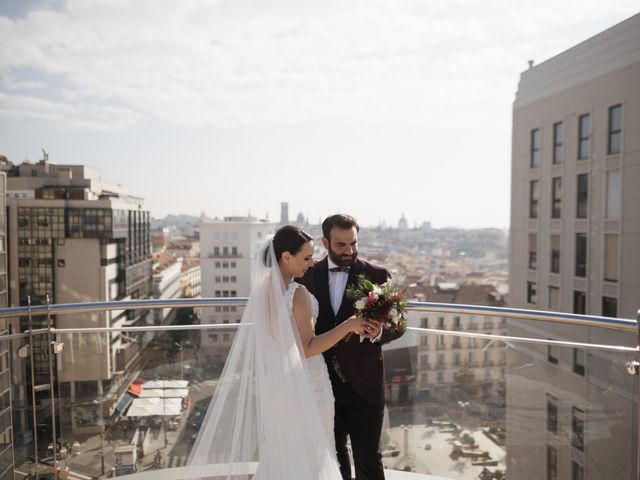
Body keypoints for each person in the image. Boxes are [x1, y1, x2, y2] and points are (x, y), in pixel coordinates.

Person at [186, 225, 377, 479]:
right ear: (286, 257)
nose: (312, 263)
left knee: (282, 452)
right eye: (306, 258)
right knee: (314, 453)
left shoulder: (262, 290)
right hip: (307, 383)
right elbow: (307, 349)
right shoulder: (297, 295)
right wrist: (349, 324)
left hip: (277, 385)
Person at [299, 214, 405, 480]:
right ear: (325, 242)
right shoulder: (307, 276)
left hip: (365, 385)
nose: (349, 251)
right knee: (333, 458)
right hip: (322, 384)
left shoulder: (377, 275)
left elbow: (400, 325)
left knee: (369, 460)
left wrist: (379, 331)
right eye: (341, 245)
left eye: (353, 243)